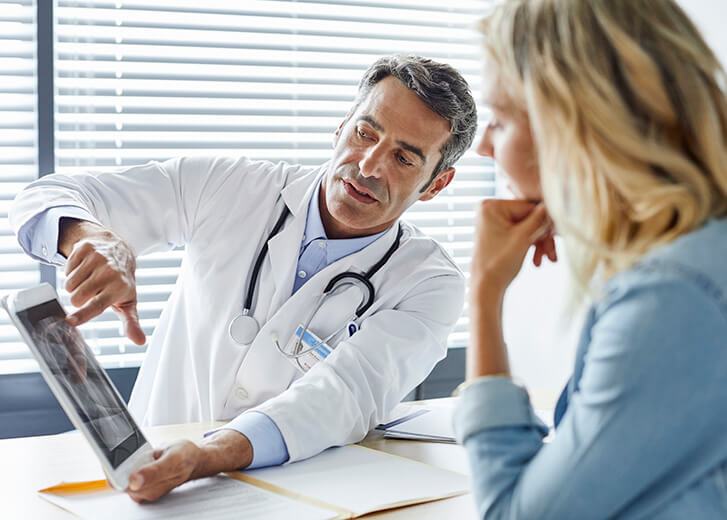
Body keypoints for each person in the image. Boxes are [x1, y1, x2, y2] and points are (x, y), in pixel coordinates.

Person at [11, 55, 478, 502]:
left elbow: (346, 396)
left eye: (404, 158)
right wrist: (92, 237)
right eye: (365, 132)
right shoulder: (229, 187)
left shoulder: (429, 282)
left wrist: (208, 455)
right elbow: (46, 196)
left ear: (436, 184)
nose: (370, 165)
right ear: (341, 125)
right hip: (147, 485)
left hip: (295, 499)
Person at [454, 0, 727, 517]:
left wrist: (485, 292)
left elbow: (515, 513)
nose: (484, 148)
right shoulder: (697, 256)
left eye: (500, 120)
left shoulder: (673, 297)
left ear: (577, 127)